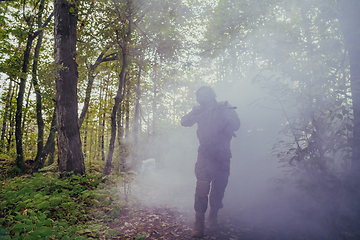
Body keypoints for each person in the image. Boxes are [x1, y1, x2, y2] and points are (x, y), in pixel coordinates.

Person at [181, 86, 240, 238]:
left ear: (212, 95)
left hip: (222, 154)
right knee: (202, 185)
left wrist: (224, 118)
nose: (202, 98)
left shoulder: (225, 107)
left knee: (219, 187)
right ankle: (198, 222)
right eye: (199, 95)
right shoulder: (199, 110)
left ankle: (213, 216)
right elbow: (184, 121)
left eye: (205, 94)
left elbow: (237, 125)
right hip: (205, 153)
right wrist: (197, 114)